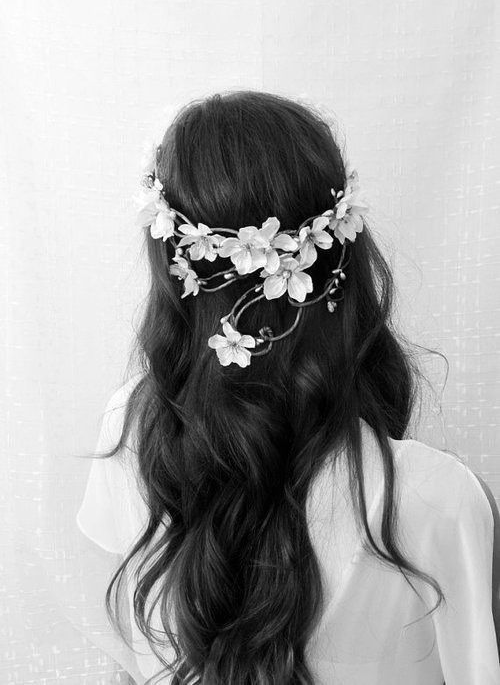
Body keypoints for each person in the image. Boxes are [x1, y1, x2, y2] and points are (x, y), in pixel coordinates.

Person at [76, 90, 500, 684]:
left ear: (171, 261)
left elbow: (127, 664)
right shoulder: (437, 500)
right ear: (343, 252)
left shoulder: (134, 427)